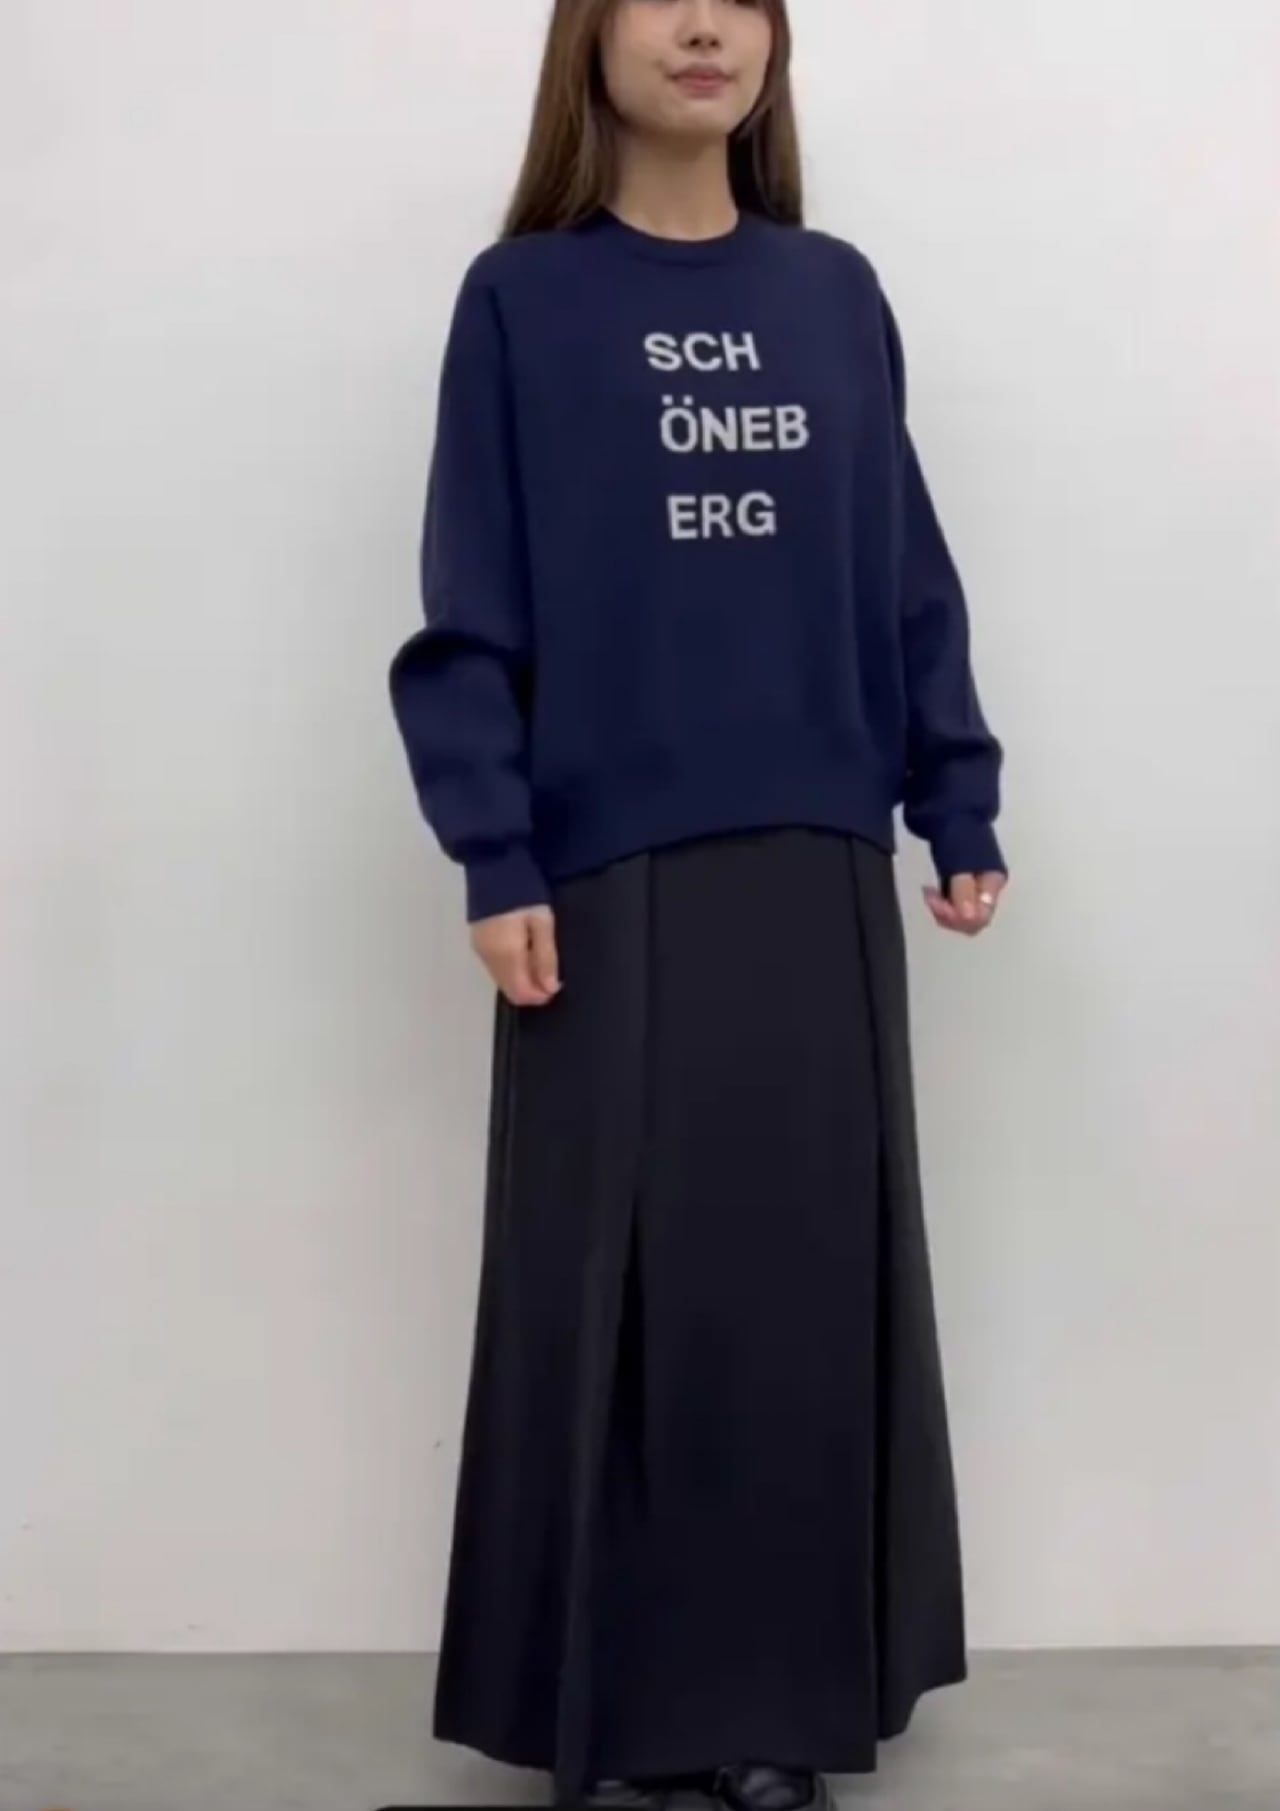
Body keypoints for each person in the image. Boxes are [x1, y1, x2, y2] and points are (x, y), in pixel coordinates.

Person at [388, 1, 1007, 1806]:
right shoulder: (522, 303)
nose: (703, 26)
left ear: (772, 44)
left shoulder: (832, 296)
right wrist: (493, 845)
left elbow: (902, 568)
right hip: (604, 867)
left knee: (797, 1299)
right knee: (614, 1292)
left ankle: (776, 1718)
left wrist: (953, 789)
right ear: (590, 41)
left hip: (815, 859)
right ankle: (620, 1714)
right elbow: (471, 591)